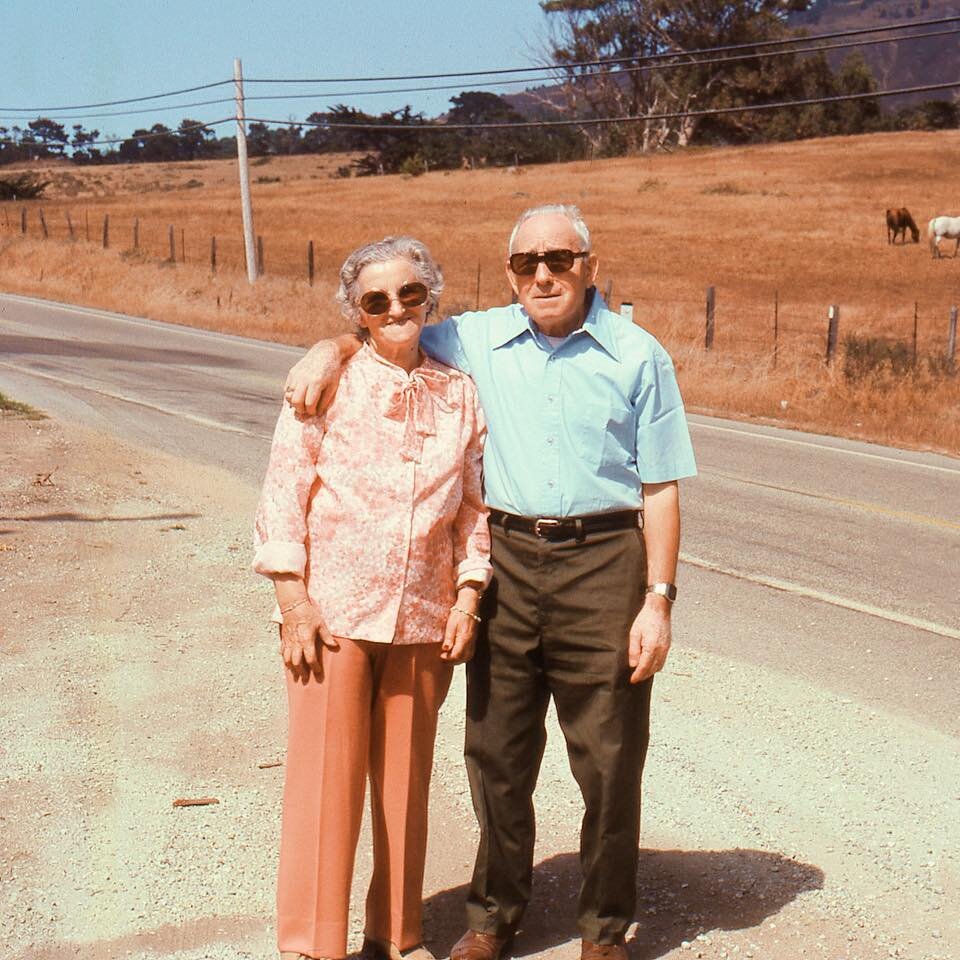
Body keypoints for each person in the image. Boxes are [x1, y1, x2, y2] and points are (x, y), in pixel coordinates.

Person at [284, 204, 696, 960]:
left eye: (560, 259)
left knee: (608, 756)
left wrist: (657, 601)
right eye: (526, 262)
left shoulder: (641, 356)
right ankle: (493, 917)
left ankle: (604, 928)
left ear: (589, 265)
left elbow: (663, 487)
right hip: (505, 557)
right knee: (497, 753)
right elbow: (387, 327)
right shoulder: (473, 337)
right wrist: (328, 345)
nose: (543, 274)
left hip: (605, 559)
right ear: (509, 273)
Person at [255, 236, 491, 960]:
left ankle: (396, 934)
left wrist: (467, 597)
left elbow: (473, 509)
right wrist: (293, 601)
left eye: (410, 294)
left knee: (404, 786)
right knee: (325, 787)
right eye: (376, 300)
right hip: (331, 616)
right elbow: (283, 493)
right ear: (356, 312)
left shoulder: (459, 392)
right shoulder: (326, 382)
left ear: (431, 298)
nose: (396, 309)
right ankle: (312, 943)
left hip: (422, 617)